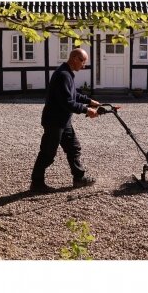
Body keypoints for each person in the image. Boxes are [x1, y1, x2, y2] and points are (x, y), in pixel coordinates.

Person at [30, 48, 100, 193]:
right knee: (48, 153)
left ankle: (79, 178)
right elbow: (68, 102)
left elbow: (74, 94)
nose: (84, 65)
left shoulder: (67, 73)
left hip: (63, 120)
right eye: (83, 61)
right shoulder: (63, 75)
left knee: (73, 148)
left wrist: (91, 101)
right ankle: (37, 183)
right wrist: (87, 109)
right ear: (75, 58)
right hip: (54, 121)